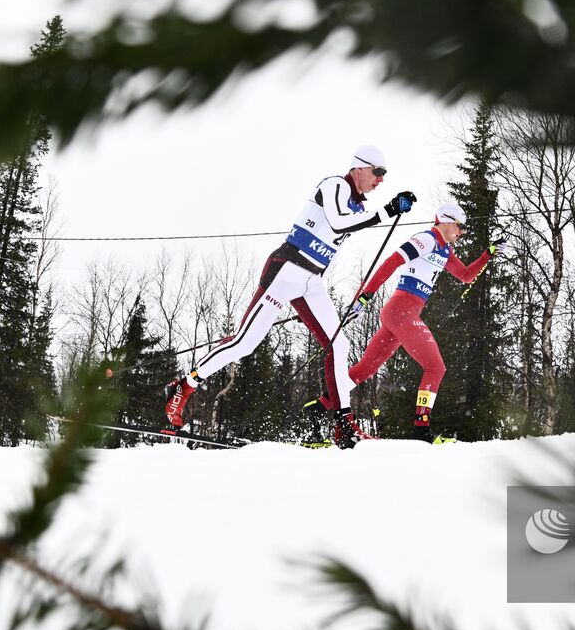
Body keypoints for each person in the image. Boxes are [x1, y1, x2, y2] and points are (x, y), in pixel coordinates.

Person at [163, 144, 415, 448]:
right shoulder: (334, 184)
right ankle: (183, 386)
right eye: (378, 172)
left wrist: (386, 210)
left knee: (339, 344)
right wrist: (387, 210)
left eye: (383, 176)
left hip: (311, 281)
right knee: (245, 343)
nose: (381, 180)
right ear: (359, 167)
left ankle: (343, 424)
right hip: (286, 269)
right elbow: (337, 221)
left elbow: (350, 222)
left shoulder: (358, 206)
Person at [342, 201, 494, 442]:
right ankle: (421, 429)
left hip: (400, 315)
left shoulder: (445, 250)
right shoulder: (427, 239)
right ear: (445, 221)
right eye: (459, 226)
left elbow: (466, 276)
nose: (462, 232)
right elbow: (392, 261)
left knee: (363, 371)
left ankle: (320, 405)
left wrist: (488, 254)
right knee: (436, 367)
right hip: (401, 312)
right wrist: (365, 294)